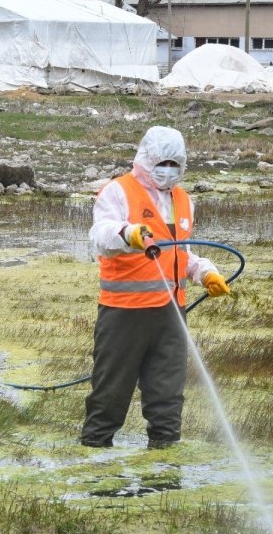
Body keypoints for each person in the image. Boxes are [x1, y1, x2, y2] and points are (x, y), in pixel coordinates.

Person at [82, 126, 230, 449]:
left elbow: (181, 254)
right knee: (109, 397)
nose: (168, 170)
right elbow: (101, 235)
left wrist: (206, 273)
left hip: (170, 317)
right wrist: (128, 234)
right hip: (124, 315)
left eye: (175, 164)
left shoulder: (183, 201)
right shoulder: (118, 192)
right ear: (146, 158)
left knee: (168, 401)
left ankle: (163, 476)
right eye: (162, 163)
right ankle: (95, 461)